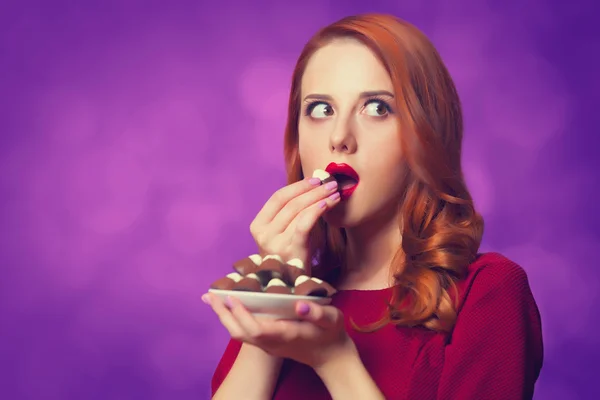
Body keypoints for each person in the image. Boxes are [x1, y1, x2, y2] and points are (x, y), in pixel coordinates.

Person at [203, 13, 543, 400]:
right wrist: (278, 287)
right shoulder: (293, 293)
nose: (339, 137)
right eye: (320, 109)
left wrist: (336, 362)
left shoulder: (489, 291)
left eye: (377, 108)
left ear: (424, 135)